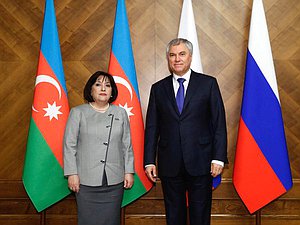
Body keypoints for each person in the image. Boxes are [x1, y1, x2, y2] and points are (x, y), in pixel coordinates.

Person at [144, 38, 228, 225]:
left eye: (182, 54)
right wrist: (149, 160)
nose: (177, 59)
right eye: (172, 55)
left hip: (201, 161)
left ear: (190, 57)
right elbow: (152, 127)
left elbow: (219, 124)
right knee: (174, 216)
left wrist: (218, 158)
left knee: (200, 216)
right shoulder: (158, 88)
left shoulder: (208, 84)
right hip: (169, 163)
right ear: (168, 58)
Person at [63, 71, 134, 225]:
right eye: (98, 85)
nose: (103, 88)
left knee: (112, 220)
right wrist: (71, 173)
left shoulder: (120, 113)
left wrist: (129, 171)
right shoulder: (78, 112)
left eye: (107, 86)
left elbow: (126, 144)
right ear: (91, 90)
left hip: (114, 180)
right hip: (85, 180)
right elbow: (69, 145)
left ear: (112, 91)